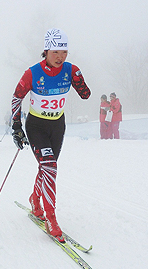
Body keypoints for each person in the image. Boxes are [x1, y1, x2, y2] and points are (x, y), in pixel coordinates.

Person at [11, 28, 91, 243]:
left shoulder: (70, 69)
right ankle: (51, 219)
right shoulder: (33, 73)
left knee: (47, 167)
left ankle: (35, 200)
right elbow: (17, 98)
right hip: (36, 126)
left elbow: (85, 95)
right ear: (46, 51)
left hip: (57, 125)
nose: (60, 57)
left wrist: (78, 77)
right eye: (55, 52)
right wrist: (17, 127)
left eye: (64, 52)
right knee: (50, 167)